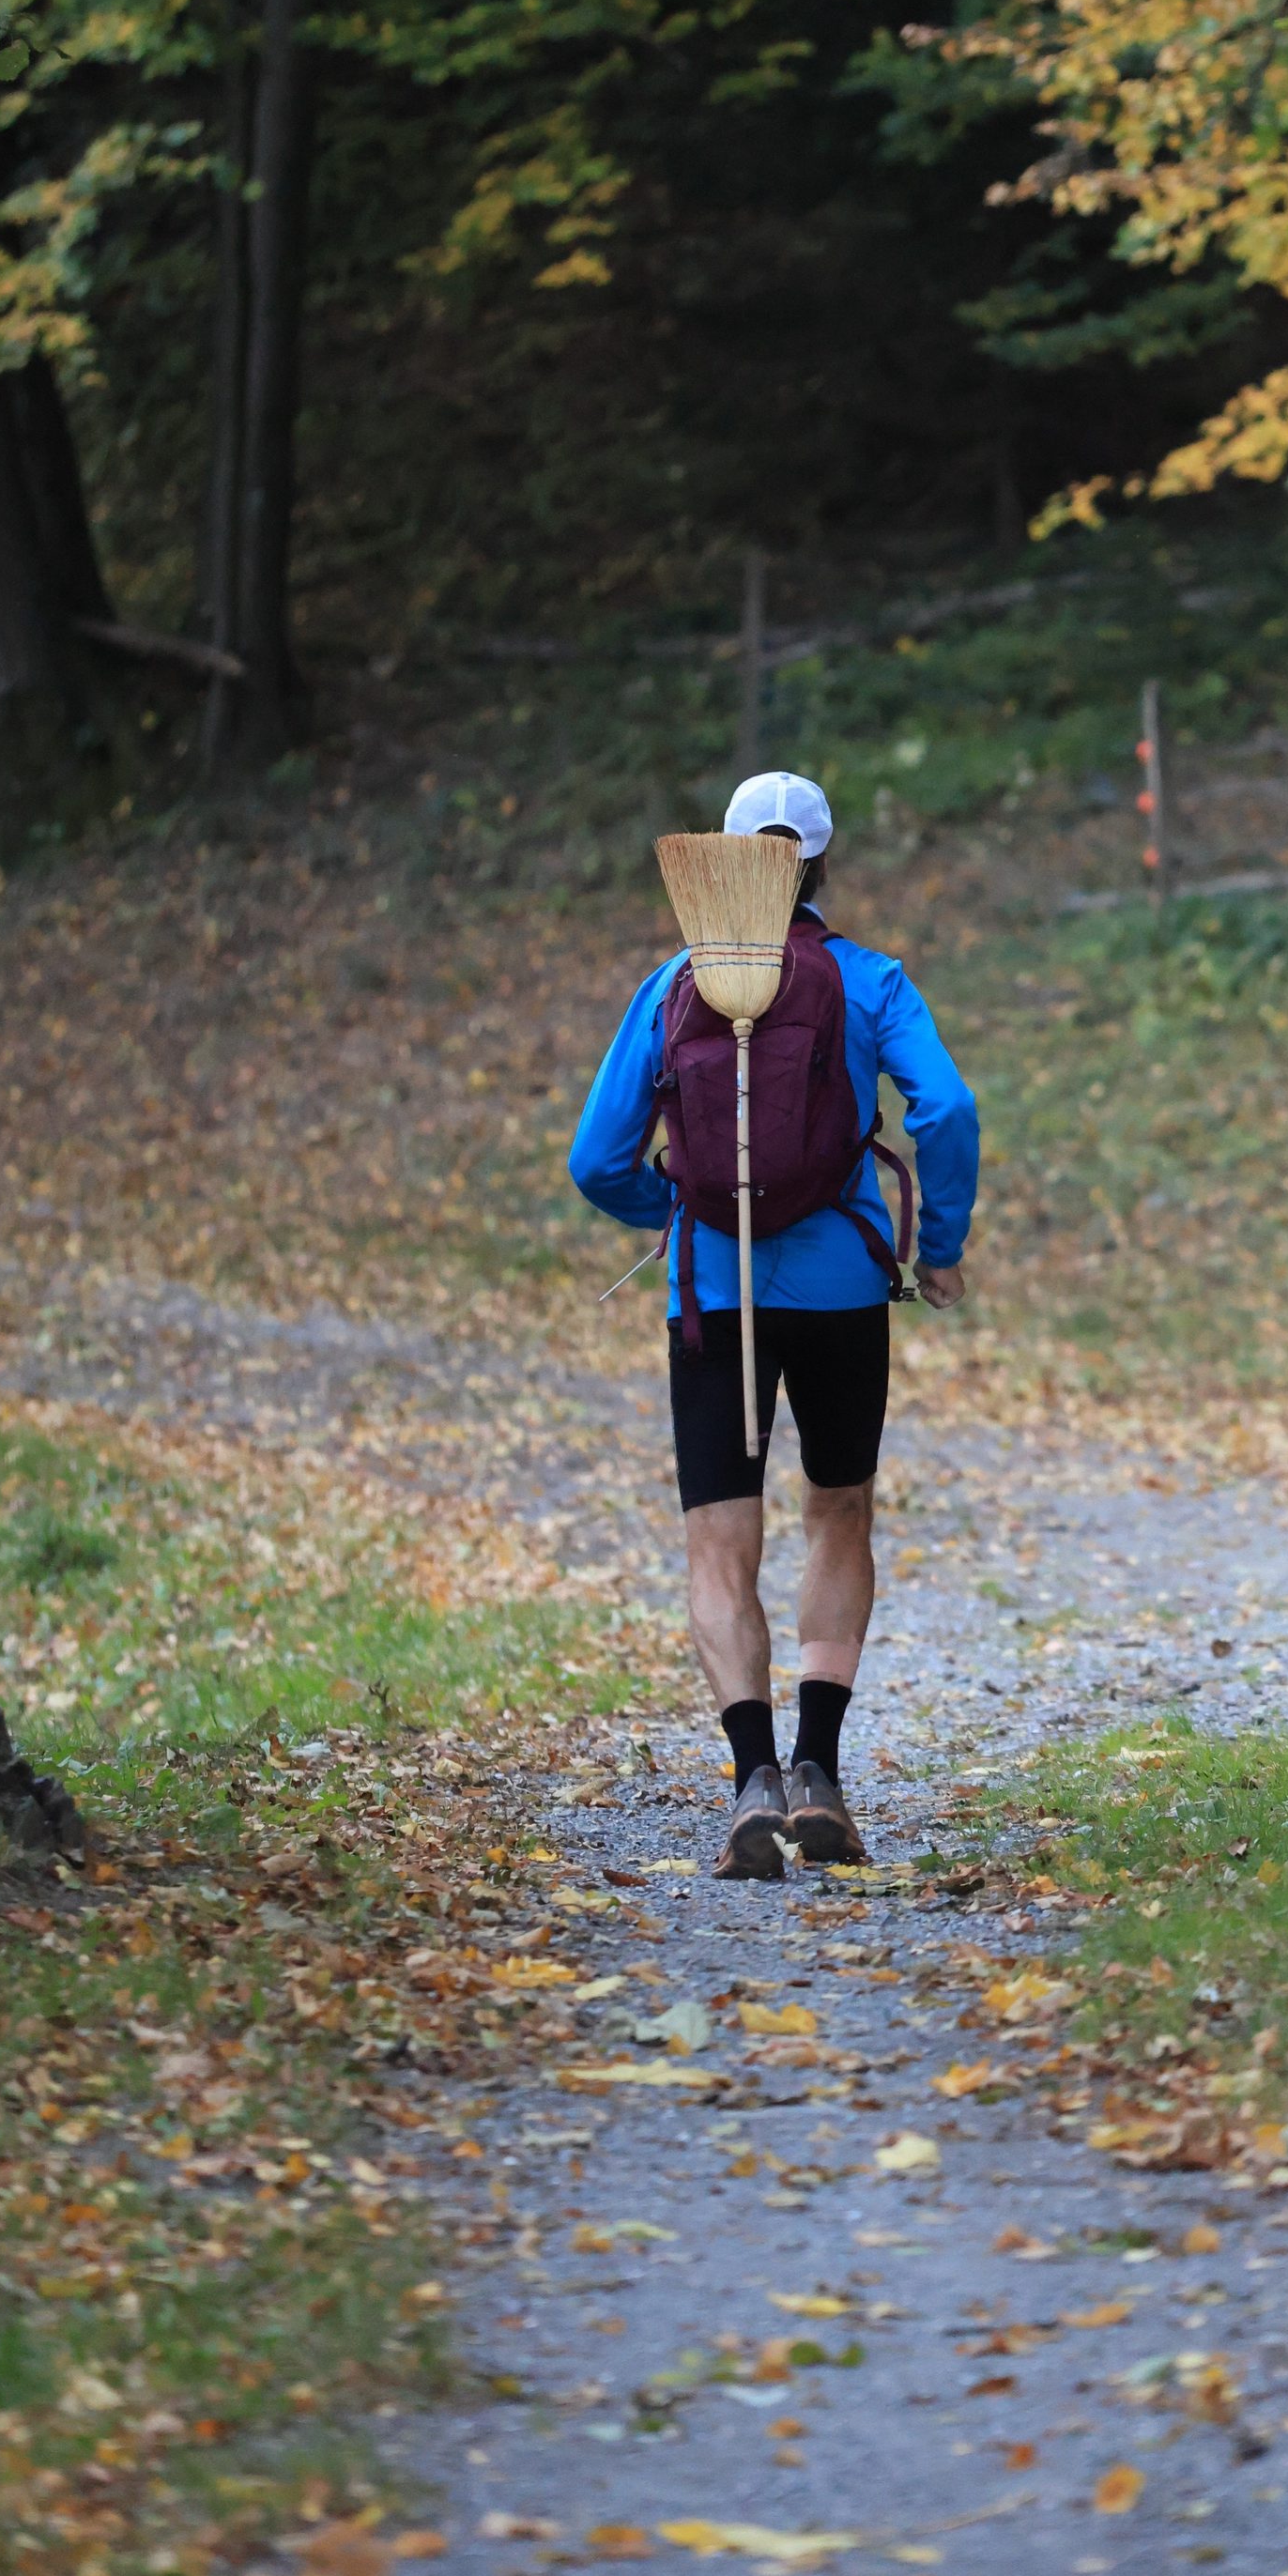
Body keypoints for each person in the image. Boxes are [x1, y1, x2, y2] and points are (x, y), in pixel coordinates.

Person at [569, 769, 978, 1878]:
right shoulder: (869, 980)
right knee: (837, 1512)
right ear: (822, 864)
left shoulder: (673, 984)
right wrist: (938, 1245)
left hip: (713, 1294)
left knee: (719, 1538)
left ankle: (750, 1780)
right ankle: (818, 1771)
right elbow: (946, 1107)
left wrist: (682, 1210)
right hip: (841, 1286)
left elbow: (595, 1158)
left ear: (727, 859)